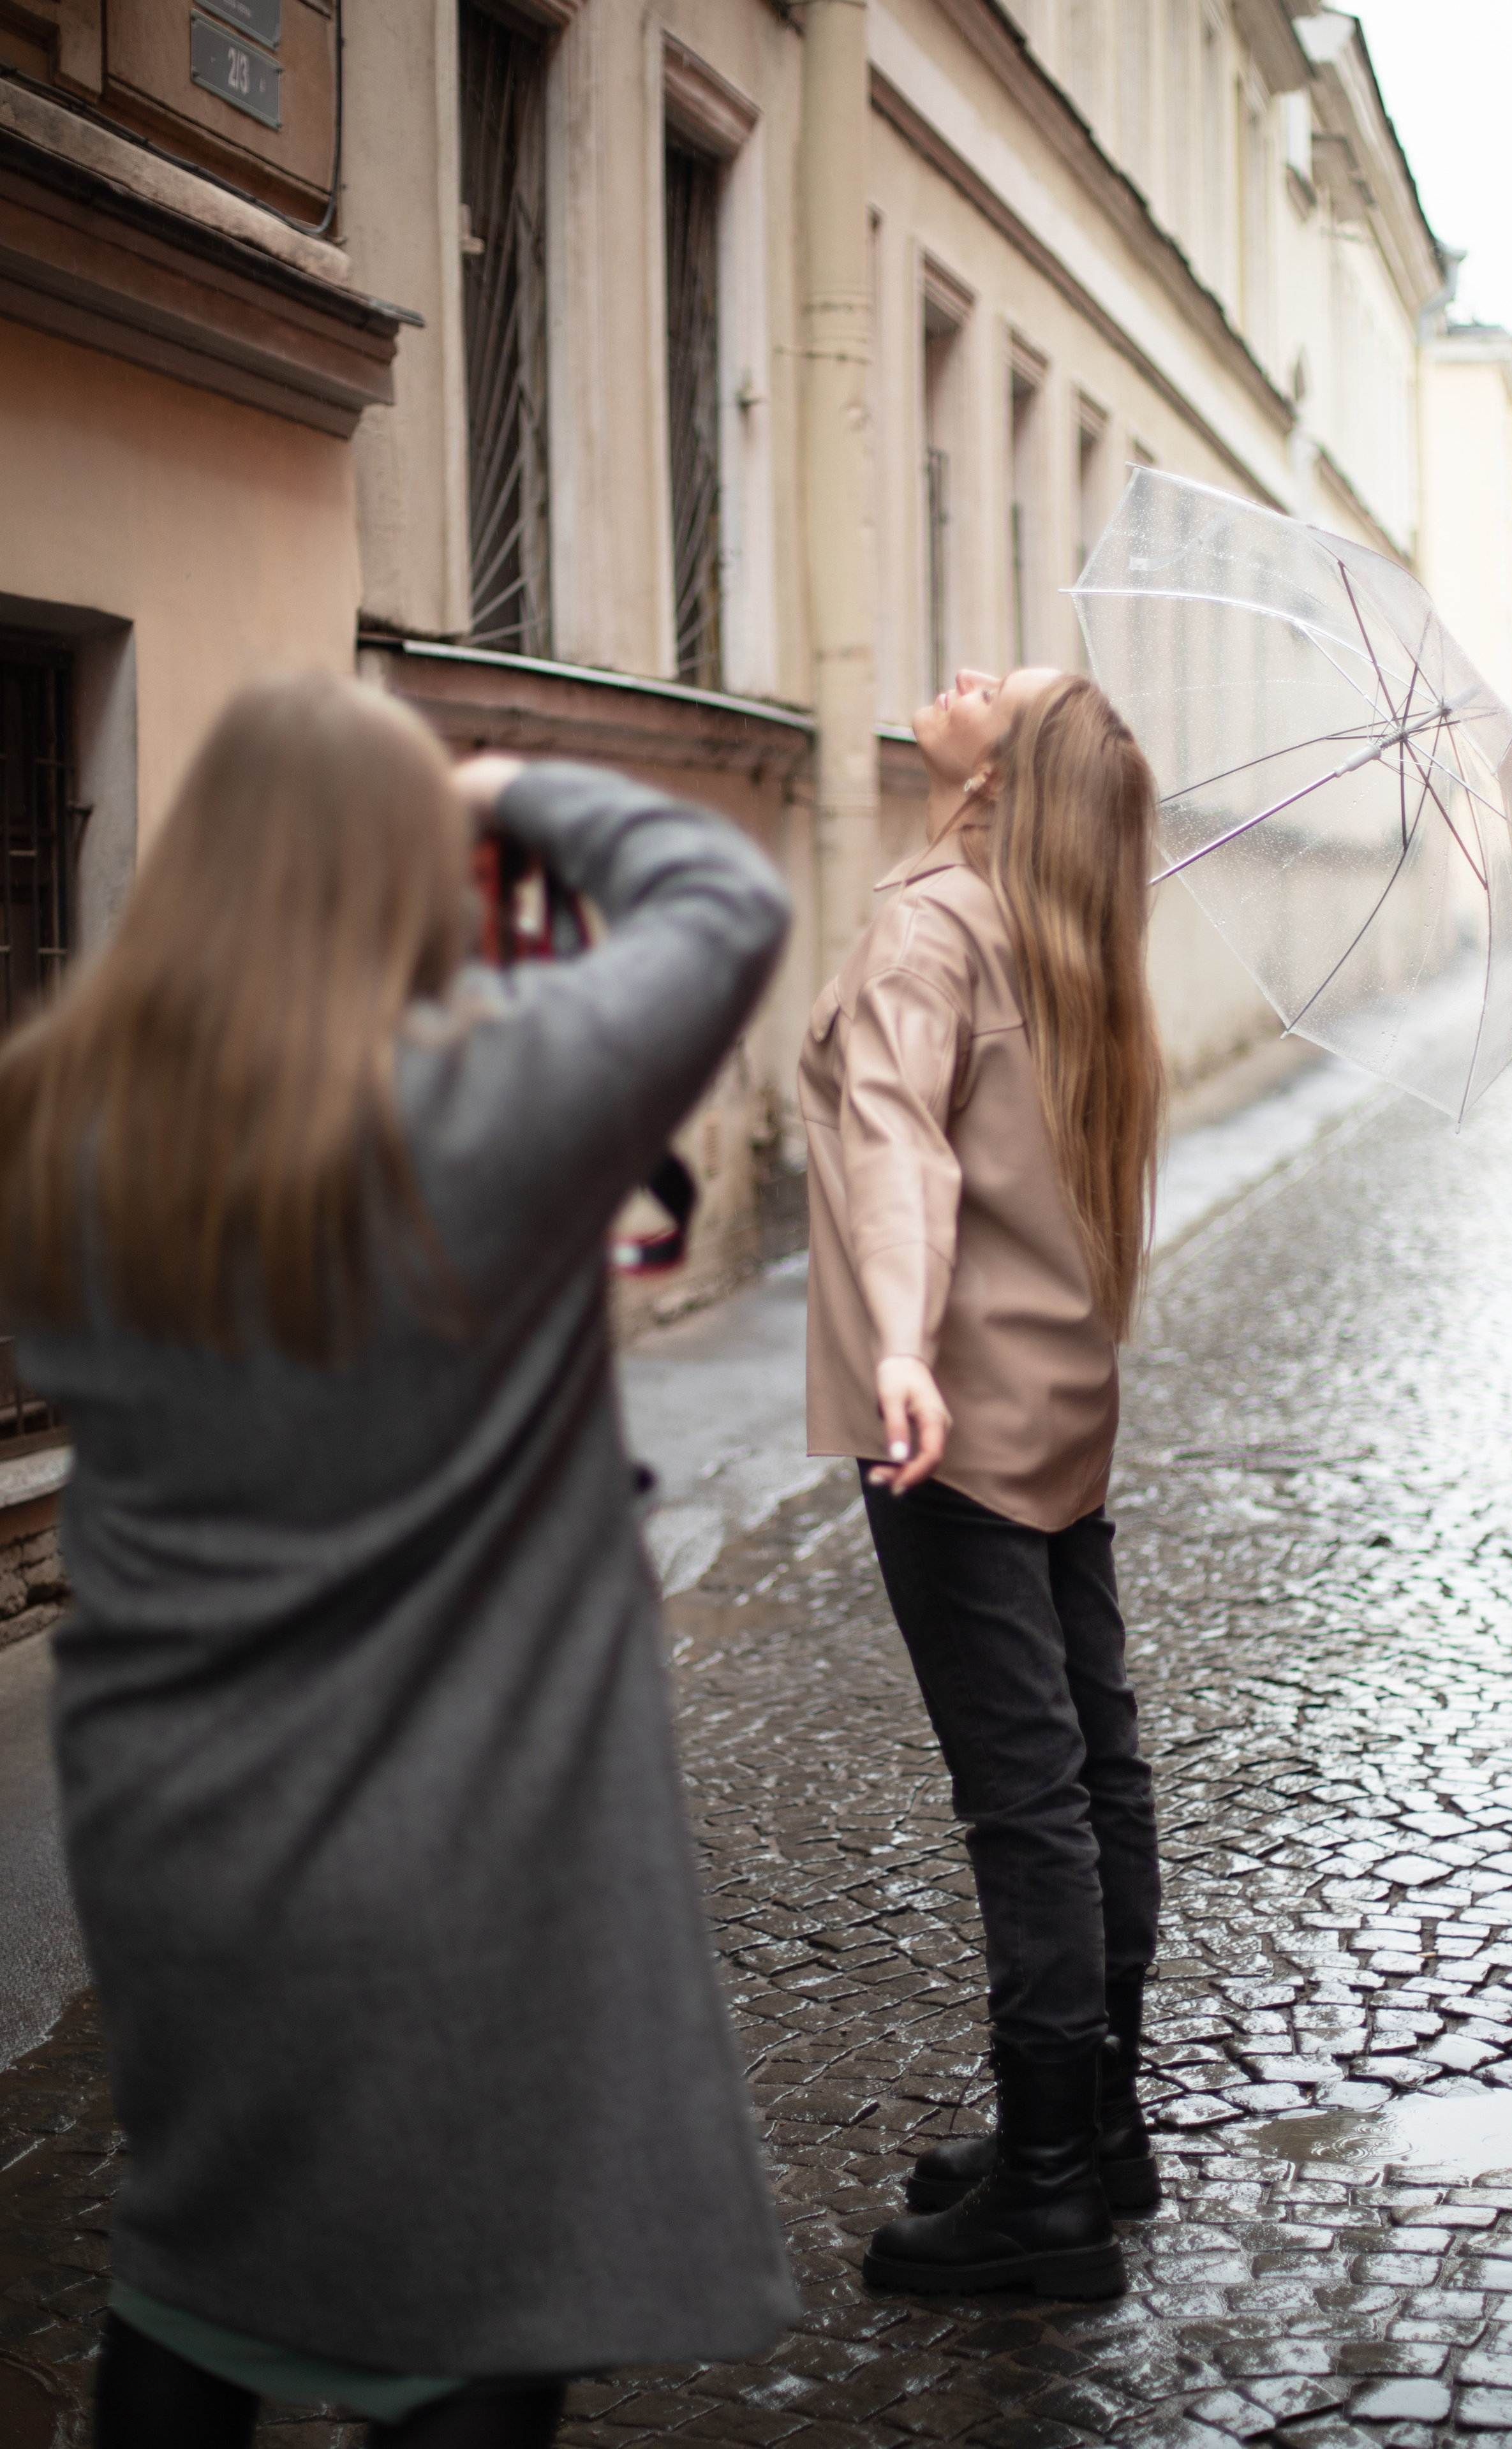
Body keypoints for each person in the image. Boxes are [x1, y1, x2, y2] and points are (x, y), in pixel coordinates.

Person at [0, 677, 797, 2448]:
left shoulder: (51, 1118)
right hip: (460, 1833)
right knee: (472, 2290)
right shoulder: (489, 1103)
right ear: (402, 871)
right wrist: (513, 782)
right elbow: (727, 901)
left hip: (170, 1822)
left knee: (197, 2244)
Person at [799, 665, 1165, 2302]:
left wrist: (894, 1346)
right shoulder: (1074, 932)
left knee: (1027, 1804)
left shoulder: (938, 924)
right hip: (1056, 1407)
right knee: (1095, 1776)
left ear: (1006, 777)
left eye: (993, 690)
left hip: (943, 1414)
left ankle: (1043, 2200)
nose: (963, 676)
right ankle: (1098, 2128)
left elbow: (896, 1145)